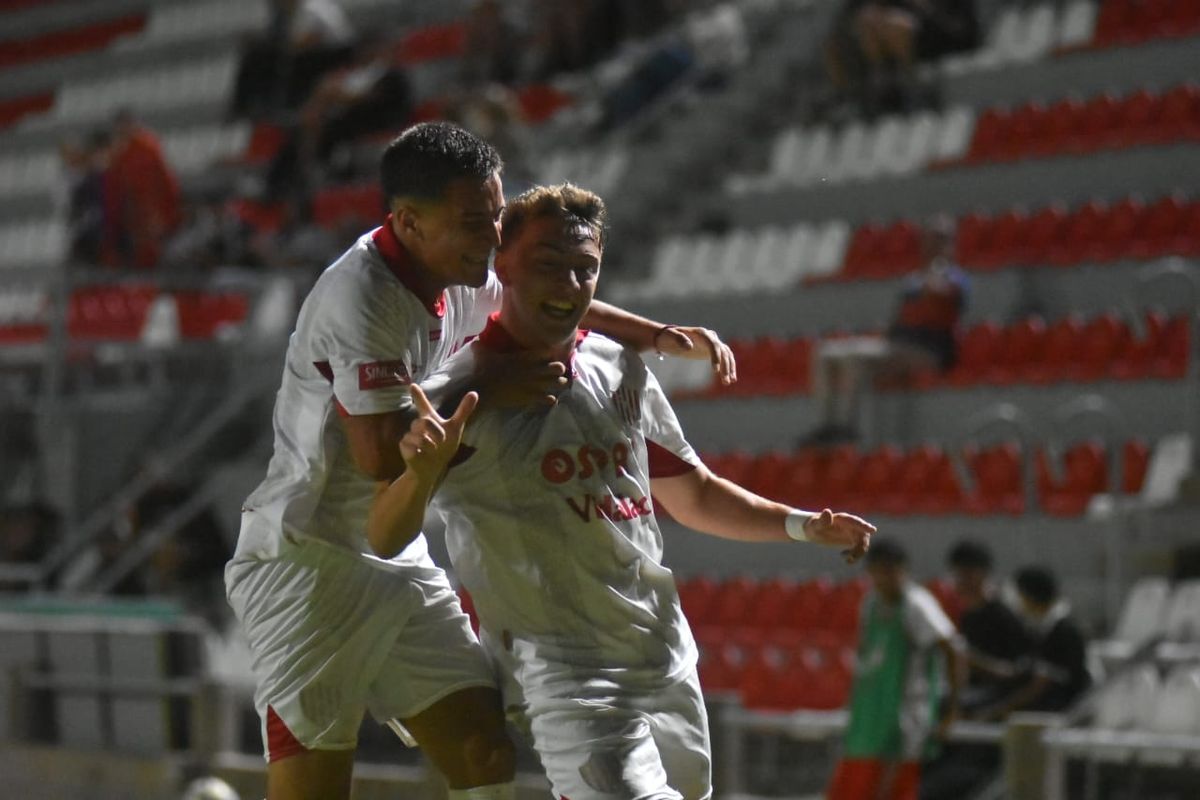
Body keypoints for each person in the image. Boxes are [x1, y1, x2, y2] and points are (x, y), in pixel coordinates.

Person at [225, 123, 735, 800]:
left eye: (496, 214)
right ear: (407, 221)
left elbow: (547, 296)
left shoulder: (457, 264)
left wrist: (654, 334)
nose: (494, 235)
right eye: (475, 221)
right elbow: (380, 458)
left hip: (396, 556)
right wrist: (489, 385)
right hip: (306, 564)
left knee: (480, 747)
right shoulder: (364, 298)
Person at [368, 182, 875, 800]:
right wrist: (421, 474)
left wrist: (801, 524)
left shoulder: (619, 364)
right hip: (562, 670)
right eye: (549, 264)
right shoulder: (458, 391)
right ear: (502, 264)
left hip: (662, 651)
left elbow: (694, 494)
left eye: (585, 268)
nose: (569, 285)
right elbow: (384, 531)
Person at [804, 217, 967, 445]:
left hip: (929, 352)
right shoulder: (913, 281)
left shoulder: (954, 277)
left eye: (940, 240)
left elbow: (940, 303)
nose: (932, 245)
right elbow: (902, 320)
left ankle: (846, 428)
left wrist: (936, 272)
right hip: (898, 347)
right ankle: (827, 424)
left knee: (856, 361)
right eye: (930, 239)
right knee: (826, 353)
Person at [827, 538, 961, 800]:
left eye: (892, 570)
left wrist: (950, 711)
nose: (886, 578)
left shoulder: (917, 604)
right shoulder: (871, 604)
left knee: (893, 788)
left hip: (903, 715)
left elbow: (953, 650)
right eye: (879, 570)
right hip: (870, 714)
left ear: (904, 570)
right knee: (853, 786)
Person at [919, 540, 1032, 800]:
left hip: (996, 705)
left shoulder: (1003, 616)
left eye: (967, 573)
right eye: (957, 574)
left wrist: (969, 659)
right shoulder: (967, 616)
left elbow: (1015, 675)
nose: (961, 581)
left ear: (982, 574)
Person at [978, 566, 1091, 718]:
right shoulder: (1039, 626)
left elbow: (1039, 686)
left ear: (1029, 597)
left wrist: (996, 712)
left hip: (1059, 710)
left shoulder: (1063, 631)